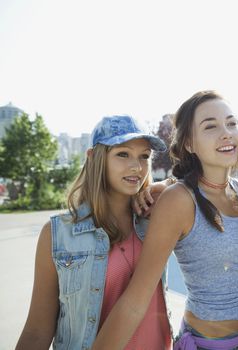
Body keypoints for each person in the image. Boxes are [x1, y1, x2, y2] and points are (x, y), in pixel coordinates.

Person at [92, 91, 238, 350]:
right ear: (189, 143)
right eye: (210, 126)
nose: (226, 133)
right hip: (207, 345)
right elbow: (136, 298)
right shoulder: (178, 200)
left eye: (231, 123)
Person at [15, 115, 172, 350]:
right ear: (94, 157)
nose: (136, 167)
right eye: (123, 154)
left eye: (144, 156)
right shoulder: (59, 234)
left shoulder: (156, 219)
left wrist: (168, 186)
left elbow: (205, 188)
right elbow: (37, 330)